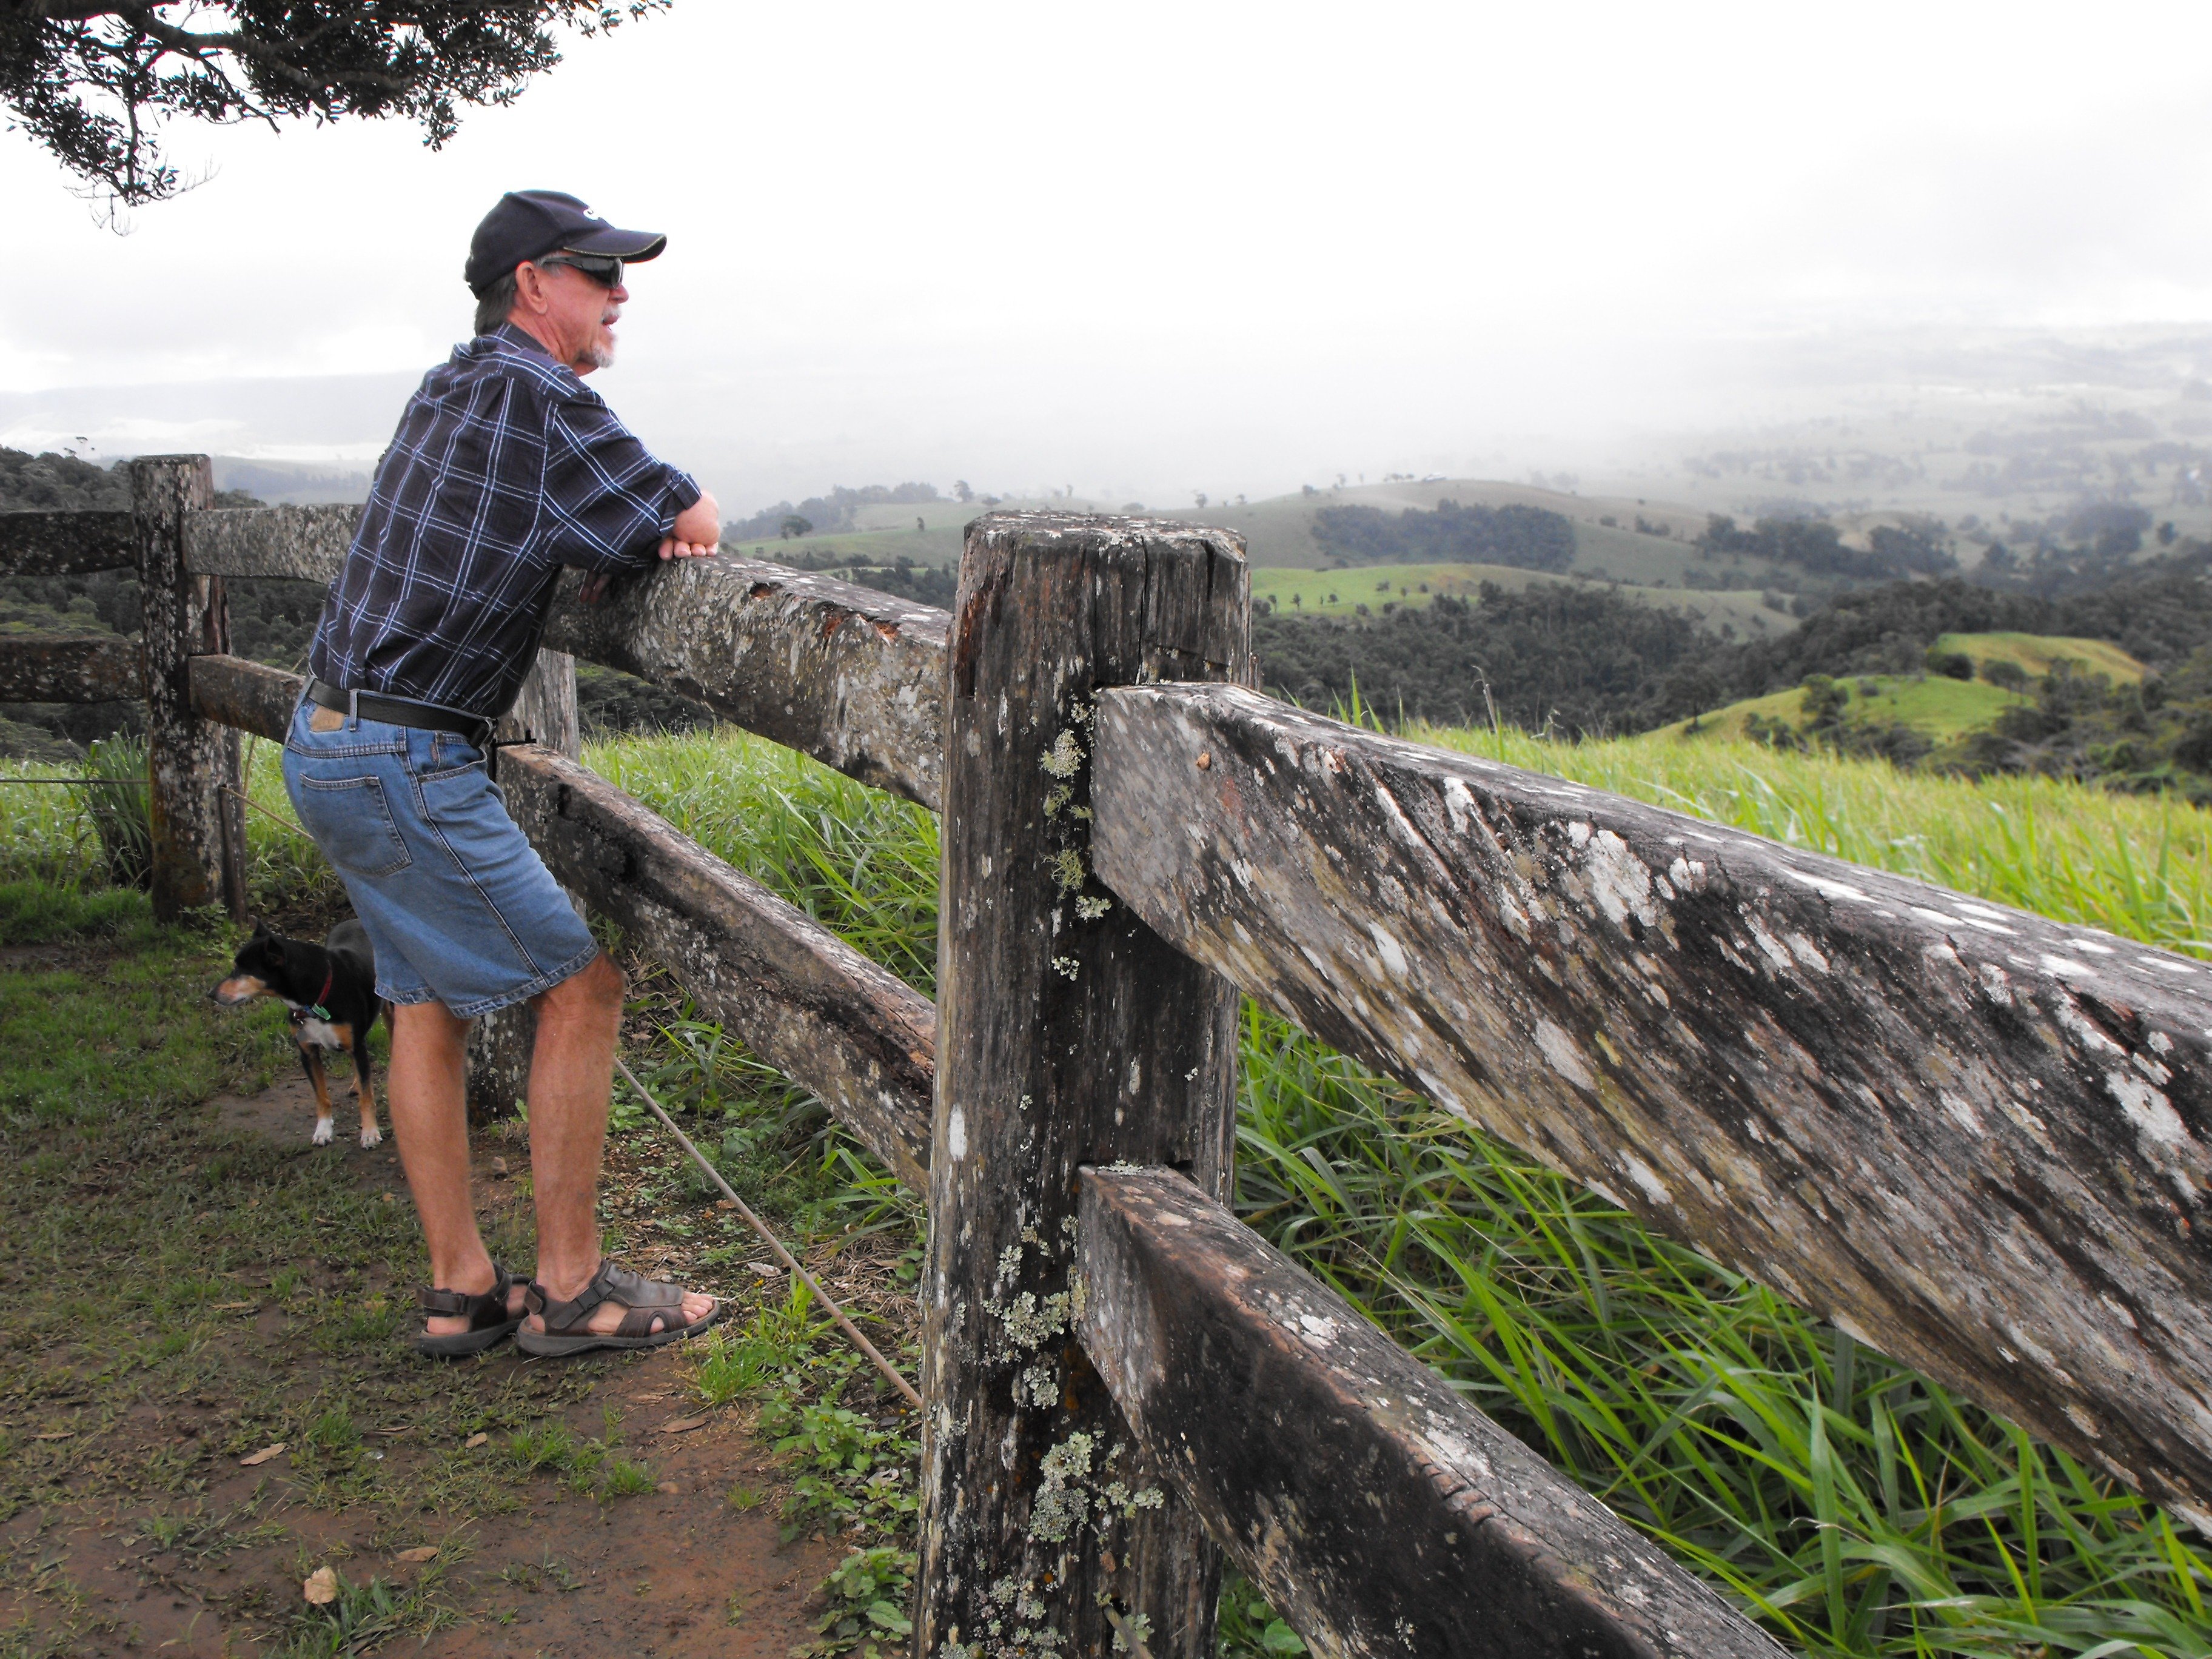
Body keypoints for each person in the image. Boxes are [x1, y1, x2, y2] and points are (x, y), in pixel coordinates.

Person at [283, 189, 724, 1358]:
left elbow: (533, 521)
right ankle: (573, 1290)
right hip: (407, 759)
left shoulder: (456, 382)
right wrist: (655, 529)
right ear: (535, 284)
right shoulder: (542, 393)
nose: (620, 294)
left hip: (326, 740)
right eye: (599, 272)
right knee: (580, 992)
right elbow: (696, 516)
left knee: (423, 997)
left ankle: (461, 1290)